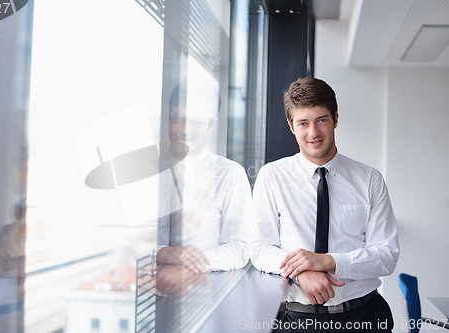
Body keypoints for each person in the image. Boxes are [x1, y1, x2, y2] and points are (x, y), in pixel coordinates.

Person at [250, 77, 399, 332]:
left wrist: (328, 261)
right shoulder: (271, 176)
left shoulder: (369, 179)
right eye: (303, 123)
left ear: (336, 119)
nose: (313, 133)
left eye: (321, 120)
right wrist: (300, 271)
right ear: (291, 125)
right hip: (297, 320)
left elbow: (386, 256)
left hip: (364, 316)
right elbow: (259, 248)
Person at [155, 81, 250, 286]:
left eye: (195, 122)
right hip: (144, 290)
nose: (184, 130)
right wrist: (163, 253)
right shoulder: (147, 172)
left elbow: (239, 249)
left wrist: (188, 264)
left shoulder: (230, 174)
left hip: (203, 294)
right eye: (178, 119)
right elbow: (126, 244)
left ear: (211, 124)